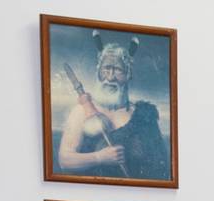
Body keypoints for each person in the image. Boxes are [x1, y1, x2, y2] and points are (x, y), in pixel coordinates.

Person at [57, 33, 170, 179]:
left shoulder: (144, 115)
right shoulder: (82, 111)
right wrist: (99, 157)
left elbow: (160, 165)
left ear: (128, 74)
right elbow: (64, 160)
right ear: (98, 72)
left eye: (118, 70)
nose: (110, 77)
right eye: (106, 69)